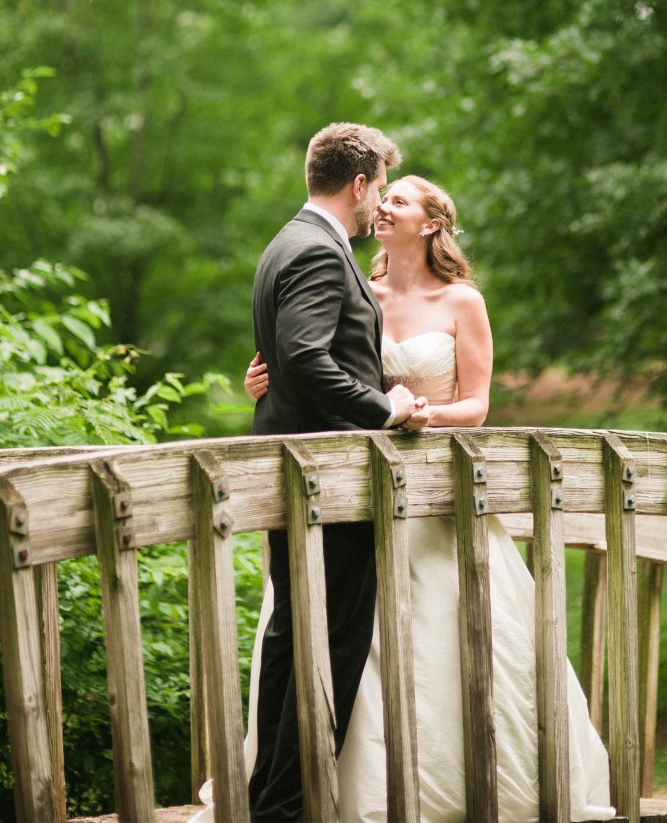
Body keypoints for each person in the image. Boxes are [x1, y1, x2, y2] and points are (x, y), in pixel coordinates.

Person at [235, 175, 616, 823]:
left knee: (451, 626)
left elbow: (477, 404)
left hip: (436, 490)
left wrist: (420, 415)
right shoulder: (361, 289)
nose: (383, 205)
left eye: (400, 200)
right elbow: (316, 368)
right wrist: (264, 385)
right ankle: (347, 789)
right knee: (349, 626)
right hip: (361, 488)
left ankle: (472, 784)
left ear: (433, 223)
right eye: (382, 197)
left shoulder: (462, 301)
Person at [240, 124, 429, 823]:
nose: (377, 200)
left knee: (293, 636)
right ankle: (287, 807)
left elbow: (290, 360)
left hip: (297, 468)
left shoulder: (286, 241)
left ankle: (273, 803)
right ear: (358, 184)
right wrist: (386, 411)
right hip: (328, 477)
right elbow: (306, 357)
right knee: (332, 640)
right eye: (378, 187)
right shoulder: (319, 251)